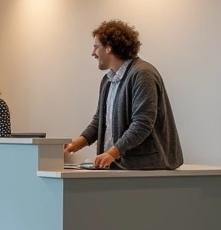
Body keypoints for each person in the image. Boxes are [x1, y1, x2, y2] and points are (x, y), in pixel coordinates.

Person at [64, 20, 183, 170]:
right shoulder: (108, 80)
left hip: (145, 168)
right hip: (118, 166)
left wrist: (112, 153)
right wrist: (72, 147)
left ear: (109, 47)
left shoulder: (143, 74)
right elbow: (99, 121)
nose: (93, 53)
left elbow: (141, 124)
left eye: (96, 47)